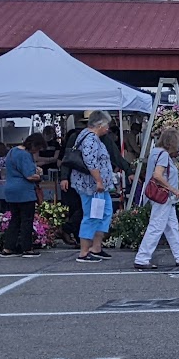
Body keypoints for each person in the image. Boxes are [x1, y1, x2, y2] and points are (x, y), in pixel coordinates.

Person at [134, 127, 179, 270]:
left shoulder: (155, 152)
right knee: (157, 226)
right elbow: (158, 175)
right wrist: (173, 189)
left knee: (171, 227)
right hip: (164, 196)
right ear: (172, 143)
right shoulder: (163, 155)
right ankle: (142, 258)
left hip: (161, 197)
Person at [72, 112, 116, 263]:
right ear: (99, 125)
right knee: (91, 215)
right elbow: (90, 161)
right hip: (91, 185)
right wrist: (98, 181)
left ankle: (96, 247)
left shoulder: (90, 137)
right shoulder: (90, 139)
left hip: (100, 186)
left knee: (105, 212)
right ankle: (84, 251)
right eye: (106, 125)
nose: (108, 128)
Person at [1, 134, 43, 257]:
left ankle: (8, 248)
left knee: (15, 219)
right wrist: (39, 175)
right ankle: (27, 248)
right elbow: (30, 176)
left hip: (10, 190)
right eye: (38, 148)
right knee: (27, 220)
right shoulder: (25, 155)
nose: (37, 151)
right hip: (24, 192)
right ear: (33, 145)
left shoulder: (12, 151)